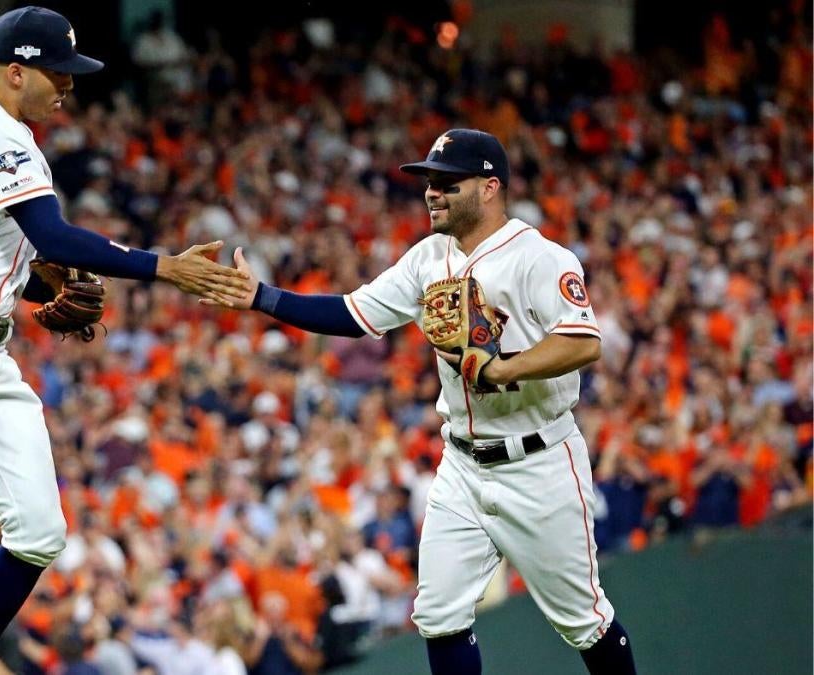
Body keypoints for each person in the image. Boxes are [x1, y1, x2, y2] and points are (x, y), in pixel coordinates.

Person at [0, 7, 250, 675]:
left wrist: (35, 288)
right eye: (58, 74)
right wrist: (165, 266)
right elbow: (54, 237)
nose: (68, 87)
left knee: (39, 531)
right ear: (16, 70)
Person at [212, 129, 637, 674]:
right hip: (461, 461)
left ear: (489, 187)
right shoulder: (427, 258)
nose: (431, 193)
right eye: (428, 183)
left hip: (540, 461)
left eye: (446, 183)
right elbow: (352, 314)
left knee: (585, 621)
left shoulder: (539, 258)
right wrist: (262, 297)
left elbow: (583, 340)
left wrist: (503, 367)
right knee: (438, 614)